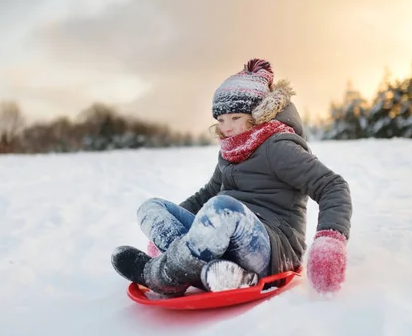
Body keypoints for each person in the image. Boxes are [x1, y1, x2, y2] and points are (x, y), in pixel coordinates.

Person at [111, 58, 352, 296]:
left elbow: (332, 186)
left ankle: (162, 276)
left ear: (258, 115)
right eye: (221, 120)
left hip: (272, 247)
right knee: (151, 208)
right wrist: (172, 229)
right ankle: (222, 274)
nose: (227, 128)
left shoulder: (278, 147)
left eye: (235, 118)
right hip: (227, 240)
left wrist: (329, 241)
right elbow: (208, 193)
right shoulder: (232, 149)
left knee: (223, 208)